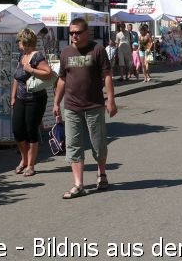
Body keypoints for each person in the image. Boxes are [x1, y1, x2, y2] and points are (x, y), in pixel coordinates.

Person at [53, 17, 117, 199]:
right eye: (71, 32)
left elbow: (107, 76)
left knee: (98, 144)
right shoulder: (65, 52)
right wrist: (57, 102)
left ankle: (101, 173)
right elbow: (62, 79)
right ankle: (78, 184)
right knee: (73, 145)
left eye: (77, 32)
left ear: (86, 32)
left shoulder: (97, 50)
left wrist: (110, 100)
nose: (74, 35)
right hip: (72, 106)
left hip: (94, 105)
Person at [11, 28, 53, 177]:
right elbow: (17, 77)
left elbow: (48, 73)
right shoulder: (22, 56)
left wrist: (31, 70)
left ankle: (30, 165)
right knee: (17, 130)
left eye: (20, 42)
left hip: (35, 99)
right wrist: (13, 97)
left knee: (31, 131)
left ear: (26, 42)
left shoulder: (37, 56)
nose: (18, 44)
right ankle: (23, 159)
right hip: (21, 99)